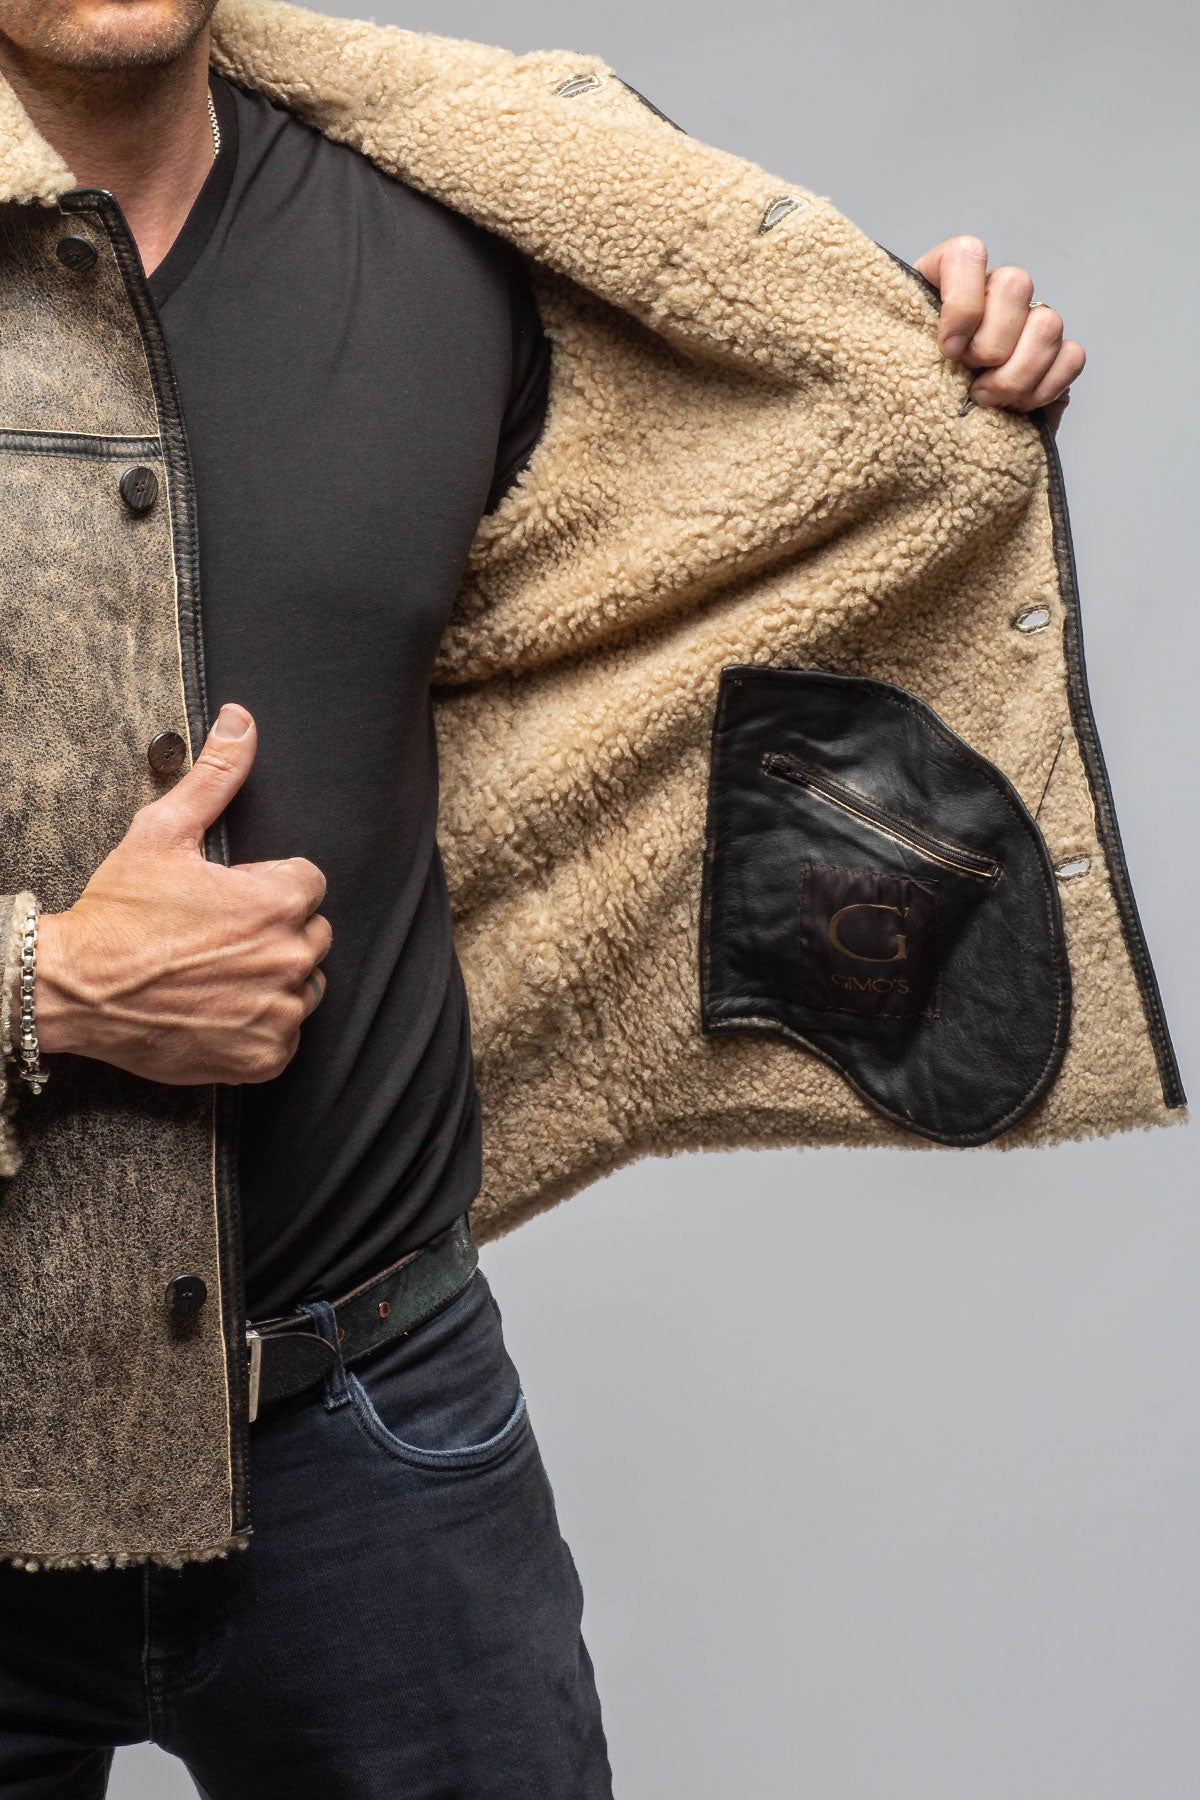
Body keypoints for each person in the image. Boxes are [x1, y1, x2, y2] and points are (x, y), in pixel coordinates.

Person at [1, 0, 1161, 1793]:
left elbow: (738, 511)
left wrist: (917, 365)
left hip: (376, 1419)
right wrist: (49, 988)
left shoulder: (457, 234)